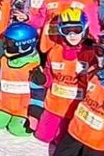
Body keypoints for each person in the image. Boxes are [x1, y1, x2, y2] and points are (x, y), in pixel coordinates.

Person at [34, 9, 97, 144]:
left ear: (85, 29)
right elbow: (50, 77)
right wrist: (42, 79)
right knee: (43, 137)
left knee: (61, 141)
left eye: (77, 29)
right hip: (54, 106)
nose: (72, 35)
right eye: (67, 30)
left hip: (75, 109)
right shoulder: (54, 51)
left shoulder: (91, 54)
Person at [0, 22, 44, 137]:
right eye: (5, 42)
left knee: (17, 130)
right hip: (4, 104)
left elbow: (38, 94)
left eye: (9, 43)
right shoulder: (3, 61)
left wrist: (34, 114)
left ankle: (21, 119)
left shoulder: (32, 68)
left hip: (23, 109)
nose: (5, 46)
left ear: (24, 45)